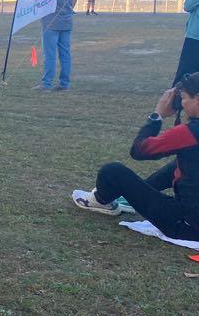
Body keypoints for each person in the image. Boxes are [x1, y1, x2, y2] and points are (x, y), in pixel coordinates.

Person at [72, 76, 199, 241]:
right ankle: (131, 196)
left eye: (184, 98)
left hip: (186, 225)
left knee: (113, 172)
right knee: (182, 163)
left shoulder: (190, 132)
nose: (182, 103)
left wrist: (157, 115)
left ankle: (101, 200)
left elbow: (139, 150)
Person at [35, 0, 78, 91]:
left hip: (51, 22)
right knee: (65, 54)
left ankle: (46, 84)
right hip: (67, 22)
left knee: (49, 55)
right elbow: (74, 0)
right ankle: (64, 84)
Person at [173, 0, 199, 85]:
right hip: (194, 37)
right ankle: (178, 94)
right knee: (186, 72)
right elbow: (188, 6)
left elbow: (188, 6)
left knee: (186, 71)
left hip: (195, 38)